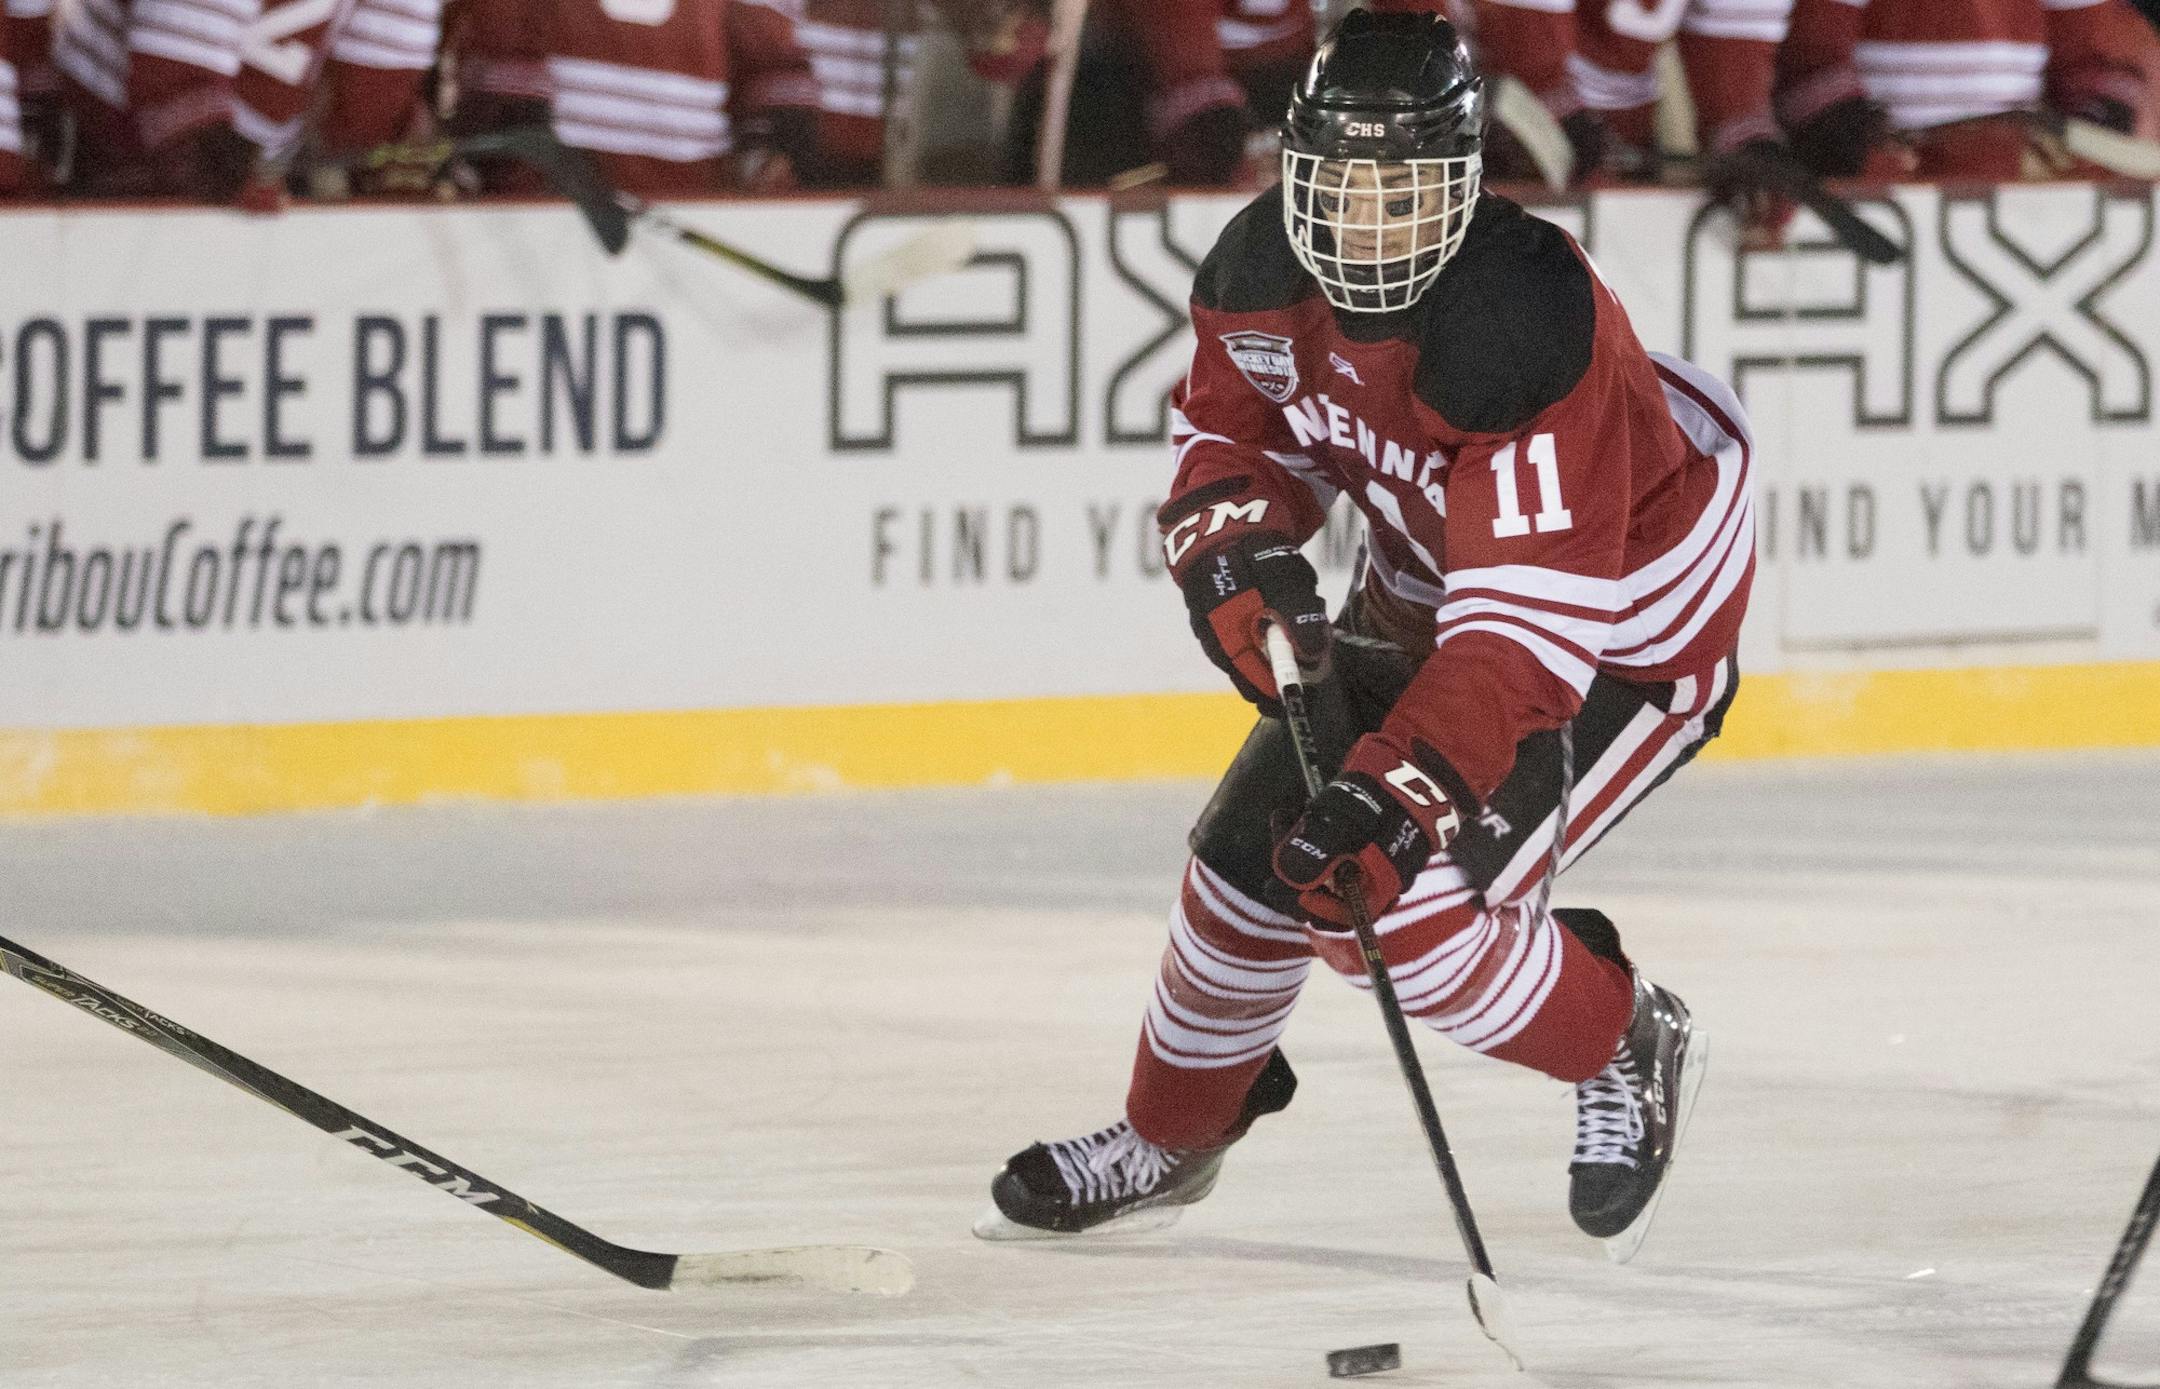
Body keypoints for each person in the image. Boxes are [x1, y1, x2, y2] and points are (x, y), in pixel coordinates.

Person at [977, 8, 1751, 1257]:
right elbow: (1234, 441)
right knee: (1244, 870)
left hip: (1619, 641)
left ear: (1466, 183)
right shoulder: (1257, 274)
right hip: (1424, 592)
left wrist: (1399, 793)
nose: (1369, 223)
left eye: (1405, 191)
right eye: (1342, 186)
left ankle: (1627, 1035)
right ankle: (1176, 1131)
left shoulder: (1526, 323)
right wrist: (1234, 549)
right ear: (1296, 174)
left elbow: (1523, 642)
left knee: (1385, 910)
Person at [1776, 0, 2152, 180]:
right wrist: (1872, 158)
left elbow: (2090, 68)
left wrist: (2084, 144)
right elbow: (1812, 62)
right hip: (1887, 190)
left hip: (2018, 192)